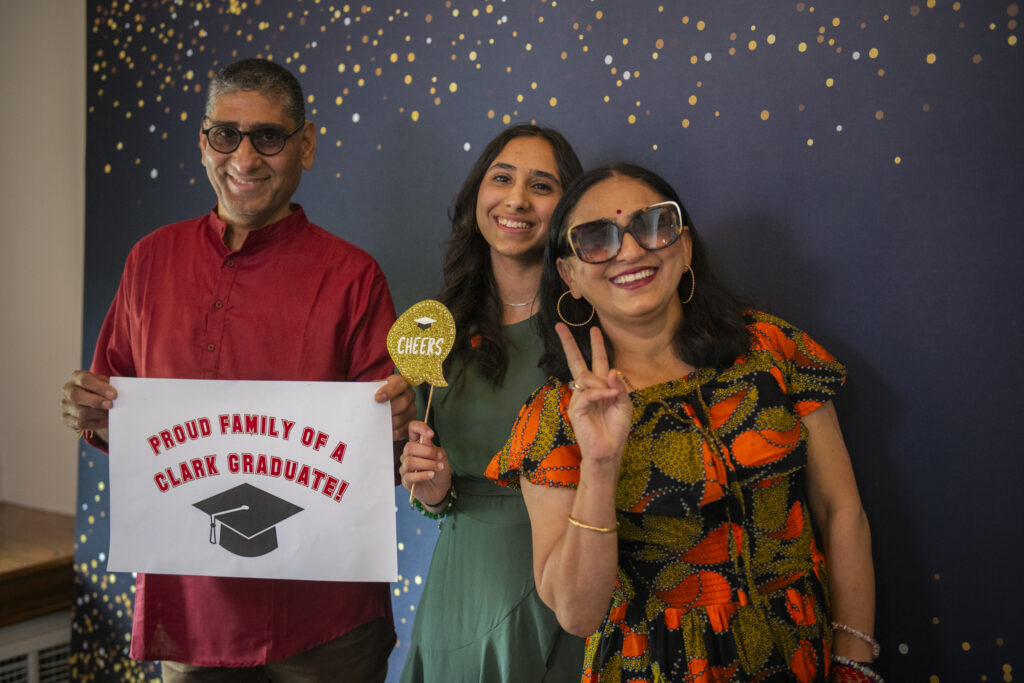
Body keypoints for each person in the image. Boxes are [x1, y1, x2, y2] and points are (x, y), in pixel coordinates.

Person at [59, 58, 415, 682]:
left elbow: (384, 457)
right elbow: (118, 418)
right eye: (226, 135)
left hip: (325, 619)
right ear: (204, 143)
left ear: (306, 145)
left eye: (268, 137)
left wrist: (396, 426)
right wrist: (93, 414)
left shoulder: (353, 278)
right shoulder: (150, 261)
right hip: (193, 609)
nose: (244, 159)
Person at [486, 163, 882, 682]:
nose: (631, 250)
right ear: (570, 276)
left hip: (802, 654)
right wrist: (600, 464)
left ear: (686, 246)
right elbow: (578, 615)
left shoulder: (771, 349)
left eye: (653, 225)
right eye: (597, 239)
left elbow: (841, 509)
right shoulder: (554, 417)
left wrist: (853, 659)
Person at [397, 125, 588, 681]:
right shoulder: (438, 326)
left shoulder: (590, 326)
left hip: (565, 574)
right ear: (477, 193)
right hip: (460, 583)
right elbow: (438, 493)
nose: (516, 199)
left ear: (569, 208)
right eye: (501, 178)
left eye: (541, 185)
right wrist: (432, 491)